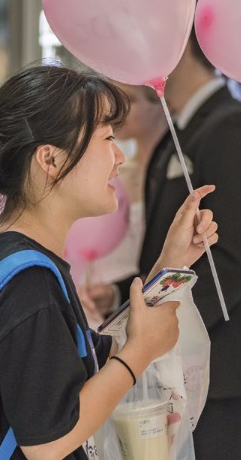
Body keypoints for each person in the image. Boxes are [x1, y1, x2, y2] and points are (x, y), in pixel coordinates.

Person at [0, 64, 219, 459]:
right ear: (50, 160)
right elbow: (49, 441)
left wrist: (170, 263)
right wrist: (140, 352)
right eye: (107, 138)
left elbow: (94, 356)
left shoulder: (2, 257)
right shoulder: (27, 283)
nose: (119, 157)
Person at [107, 30, 241, 459]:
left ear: (179, 43)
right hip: (176, 368)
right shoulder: (182, 131)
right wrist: (119, 297)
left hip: (221, 374)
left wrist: (151, 330)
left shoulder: (235, 129)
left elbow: (231, 266)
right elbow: (165, 256)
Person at [76, 81, 168, 325]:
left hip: (145, 299)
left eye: (131, 99)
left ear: (160, 104)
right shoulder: (111, 173)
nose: (120, 110)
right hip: (98, 295)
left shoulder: (171, 176)